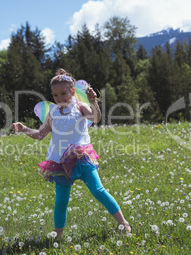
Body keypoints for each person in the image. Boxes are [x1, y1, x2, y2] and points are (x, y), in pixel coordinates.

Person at [12, 68, 131, 237]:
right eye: (55, 95)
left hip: (82, 158)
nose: (60, 98)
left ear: (73, 91)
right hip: (59, 163)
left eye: (63, 94)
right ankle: (58, 234)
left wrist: (93, 102)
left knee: (98, 190)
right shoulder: (52, 112)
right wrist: (24, 129)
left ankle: (123, 224)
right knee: (61, 201)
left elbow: (95, 118)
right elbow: (40, 135)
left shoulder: (80, 106)